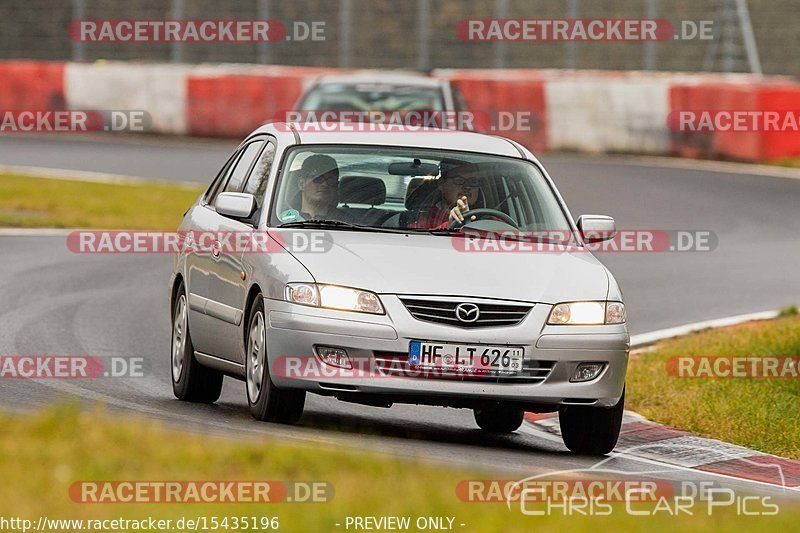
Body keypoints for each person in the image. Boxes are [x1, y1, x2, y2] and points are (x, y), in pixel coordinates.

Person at [408, 162, 483, 229]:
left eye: (473, 182)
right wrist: (450, 225)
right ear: (442, 184)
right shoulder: (423, 220)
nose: (467, 187)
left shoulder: (488, 219)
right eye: (459, 180)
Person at [295, 154, 341, 219]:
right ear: (301, 183)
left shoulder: (349, 223)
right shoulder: (281, 220)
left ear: (337, 187)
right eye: (317, 178)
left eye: (331, 180)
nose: (324, 184)